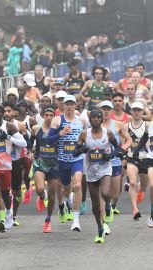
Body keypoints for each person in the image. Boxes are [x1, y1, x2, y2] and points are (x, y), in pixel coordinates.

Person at [74, 109, 124, 243]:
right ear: (90, 120)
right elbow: (74, 152)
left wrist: (111, 155)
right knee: (95, 204)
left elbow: (118, 148)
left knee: (106, 192)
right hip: (90, 172)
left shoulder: (107, 133)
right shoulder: (84, 134)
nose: (96, 119)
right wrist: (81, 150)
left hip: (105, 169)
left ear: (102, 120)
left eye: (98, 117)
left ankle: (108, 205)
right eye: (93, 117)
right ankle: (100, 228)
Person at [0, 104, 26, 234]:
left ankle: (8, 213)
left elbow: (23, 143)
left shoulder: (9, 126)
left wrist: (7, 137)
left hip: (5, 166)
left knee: (6, 195)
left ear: (2, 113)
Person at [48, 95, 87, 232]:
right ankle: (70, 198)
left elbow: (85, 138)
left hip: (77, 159)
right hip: (62, 161)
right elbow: (49, 140)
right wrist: (61, 133)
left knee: (77, 185)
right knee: (66, 188)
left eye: (72, 104)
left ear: (75, 105)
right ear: (63, 105)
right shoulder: (57, 120)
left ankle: (76, 220)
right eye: (67, 104)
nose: (69, 106)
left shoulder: (81, 121)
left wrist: (83, 148)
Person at [29, 107, 58, 232]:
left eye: (51, 115)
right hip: (40, 163)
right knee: (40, 188)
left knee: (52, 196)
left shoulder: (58, 130)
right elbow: (30, 142)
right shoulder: (36, 129)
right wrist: (30, 151)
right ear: (43, 115)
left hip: (54, 165)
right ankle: (41, 197)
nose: (49, 117)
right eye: (46, 115)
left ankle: (48, 220)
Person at [100, 100, 132, 214]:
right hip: (100, 163)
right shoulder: (95, 124)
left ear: (111, 110)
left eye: (108, 109)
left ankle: (111, 205)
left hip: (115, 162)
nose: (106, 111)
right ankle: (104, 222)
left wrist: (122, 150)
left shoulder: (118, 124)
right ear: (100, 110)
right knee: (103, 192)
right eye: (103, 109)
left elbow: (129, 140)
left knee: (114, 194)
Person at [3, 101, 28, 226]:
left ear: (13, 112)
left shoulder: (19, 125)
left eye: (9, 111)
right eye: (4, 111)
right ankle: (4, 217)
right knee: (4, 190)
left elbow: (25, 143)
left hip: (16, 161)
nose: (6, 113)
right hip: (2, 162)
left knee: (16, 191)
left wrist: (9, 138)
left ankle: (14, 216)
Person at [126, 101, 148, 221]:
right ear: (131, 111)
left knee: (144, 186)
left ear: (142, 112)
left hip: (146, 159)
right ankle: (135, 209)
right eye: (134, 110)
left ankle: (140, 191)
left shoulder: (148, 125)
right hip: (132, 158)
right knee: (133, 182)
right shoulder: (126, 126)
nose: (136, 112)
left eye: (139, 110)